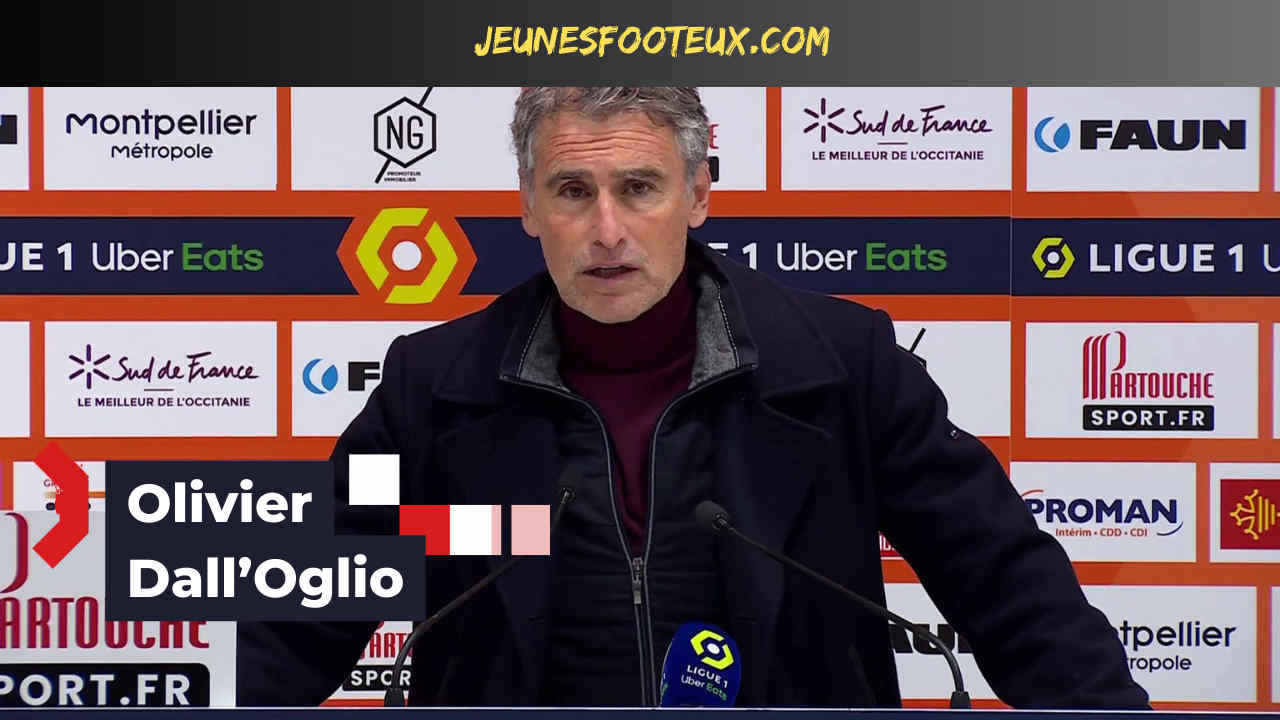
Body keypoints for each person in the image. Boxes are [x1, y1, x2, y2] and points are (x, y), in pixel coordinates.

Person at [237, 87, 1149, 709]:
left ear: (699, 193)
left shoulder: (841, 366)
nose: (606, 230)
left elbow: (1006, 581)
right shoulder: (435, 387)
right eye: (572, 191)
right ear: (527, 206)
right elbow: (305, 608)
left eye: (639, 188)